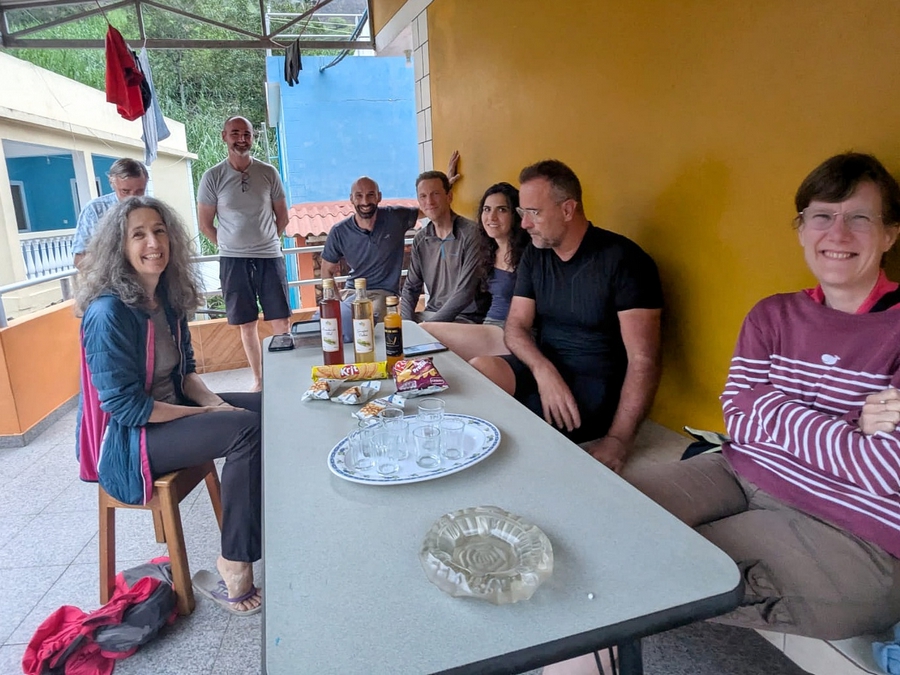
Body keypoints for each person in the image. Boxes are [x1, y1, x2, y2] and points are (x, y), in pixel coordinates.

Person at [548, 151, 900, 675]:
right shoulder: (772, 315)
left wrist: (773, 408)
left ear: (890, 234)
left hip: (851, 529)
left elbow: (886, 469)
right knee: (597, 519)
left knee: (639, 567)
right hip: (739, 471)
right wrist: (848, 426)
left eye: (860, 218)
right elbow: (738, 415)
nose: (838, 233)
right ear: (801, 229)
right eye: (822, 216)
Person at [75, 196, 262, 616]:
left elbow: (187, 373)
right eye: (138, 234)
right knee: (246, 430)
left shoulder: (167, 299)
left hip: (173, 410)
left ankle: (260, 523)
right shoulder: (107, 313)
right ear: (119, 247)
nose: (153, 243)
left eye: (159, 231)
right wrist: (207, 415)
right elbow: (127, 409)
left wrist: (215, 403)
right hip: (135, 440)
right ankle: (234, 563)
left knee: (271, 410)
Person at [471, 160, 663, 472]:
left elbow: (644, 360)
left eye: (534, 212)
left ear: (567, 209)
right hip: (545, 369)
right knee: (480, 371)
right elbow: (516, 327)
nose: (524, 224)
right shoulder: (535, 255)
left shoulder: (624, 261)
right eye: (522, 212)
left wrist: (618, 440)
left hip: (591, 389)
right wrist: (543, 369)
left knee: (508, 431)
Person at [197, 116, 291, 391]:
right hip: (233, 260)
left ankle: (283, 378)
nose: (242, 139)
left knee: (281, 320)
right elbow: (205, 224)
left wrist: (267, 241)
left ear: (252, 137)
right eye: (235, 133)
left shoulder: (268, 172)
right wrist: (230, 245)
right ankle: (259, 381)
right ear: (224, 136)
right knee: (246, 323)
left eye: (247, 134)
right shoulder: (212, 176)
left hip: (269, 257)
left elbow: (282, 216)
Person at [423, 182, 530, 361]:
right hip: (488, 328)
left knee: (426, 331)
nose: (492, 217)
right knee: (433, 349)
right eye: (487, 209)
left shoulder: (528, 255)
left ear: (515, 215)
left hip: (510, 333)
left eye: (502, 210)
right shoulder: (488, 251)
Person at [320, 176, 419, 342]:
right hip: (352, 292)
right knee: (325, 324)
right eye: (359, 196)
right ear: (351, 199)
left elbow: (430, 207)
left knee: (364, 327)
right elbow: (326, 270)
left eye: (370, 195)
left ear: (379, 196)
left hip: (383, 293)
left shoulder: (395, 217)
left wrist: (447, 187)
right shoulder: (339, 231)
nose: (365, 201)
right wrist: (336, 303)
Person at [400, 170, 487, 323]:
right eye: (423, 196)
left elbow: (465, 292)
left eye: (435, 194)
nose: (429, 201)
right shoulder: (420, 240)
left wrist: (429, 326)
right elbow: (411, 288)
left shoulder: (471, 234)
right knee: (389, 330)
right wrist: (406, 325)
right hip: (432, 314)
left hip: (465, 318)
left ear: (449, 196)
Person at [72, 158, 148, 267]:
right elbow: (80, 258)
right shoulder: (95, 210)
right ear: (112, 184)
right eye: (125, 191)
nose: (132, 197)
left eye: (139, 191)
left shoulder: (152, 210)